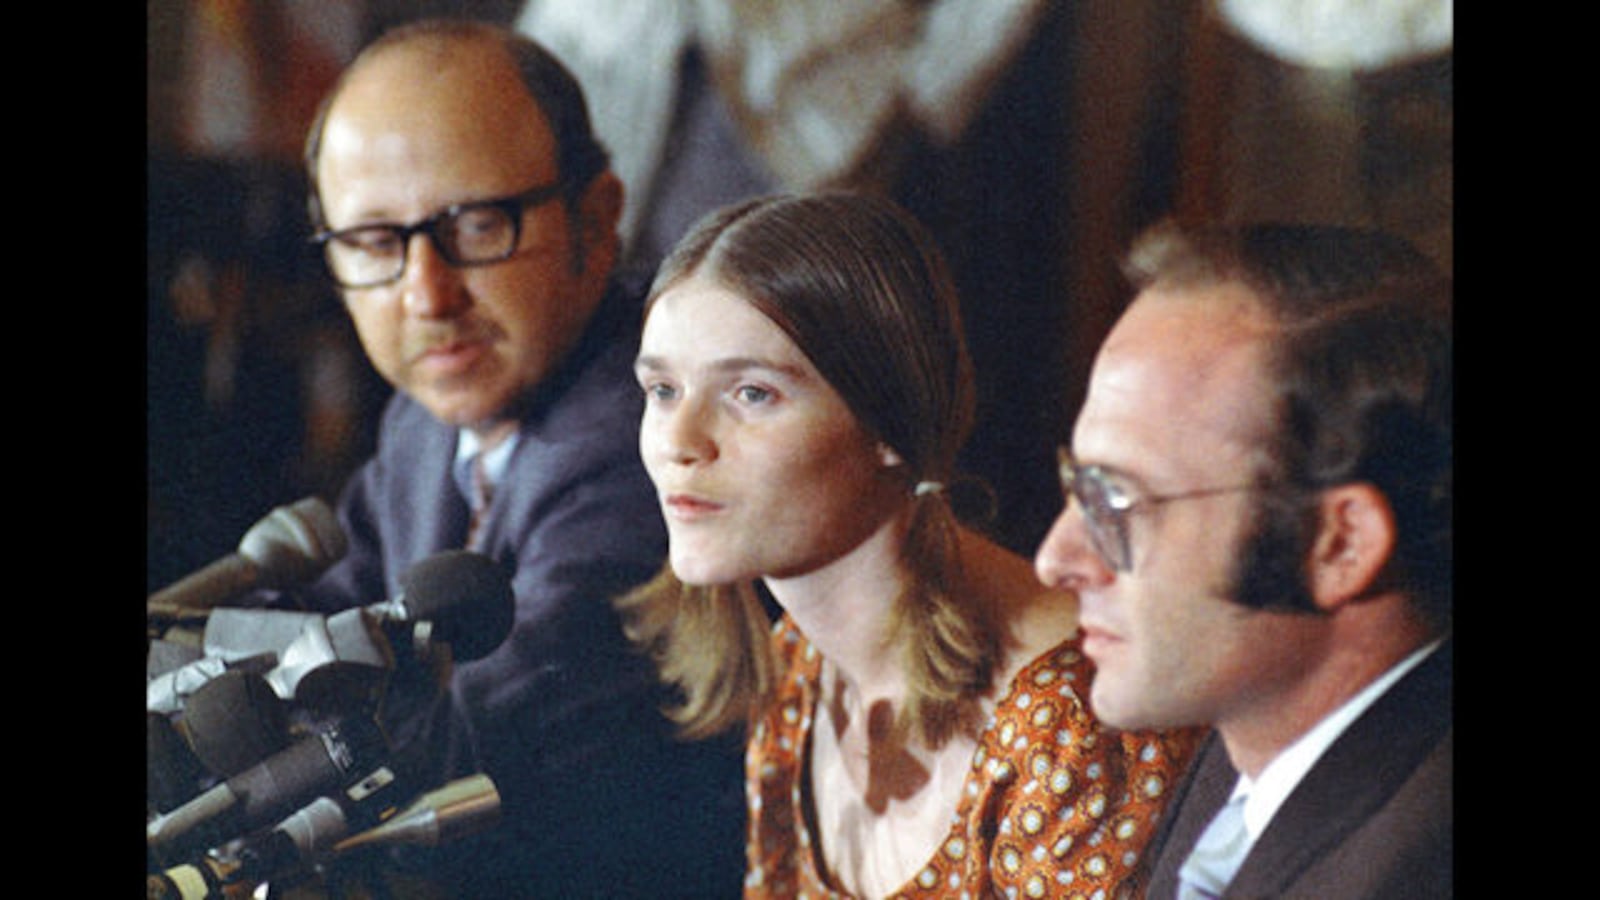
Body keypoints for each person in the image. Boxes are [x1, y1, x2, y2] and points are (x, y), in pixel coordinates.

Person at [620, 191, 1200, 899]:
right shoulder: (799, 665)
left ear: (890, 422)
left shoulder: (1074, 724)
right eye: (663, 390)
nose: (679, 442)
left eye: (751, 394)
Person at [289, 19, 745, 898]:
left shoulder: (658, 441)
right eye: (376, 245)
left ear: (598, 220)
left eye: (476, 225)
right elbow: (309, 615)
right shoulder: (428, 423)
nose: (428, 294)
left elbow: (469, 757)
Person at [1033, 219, 1452, 898]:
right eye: (1079, 485)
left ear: (1339, 545)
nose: (1057, 560)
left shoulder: (1416, 868)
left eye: (1118, 501)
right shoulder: (1255, 735)